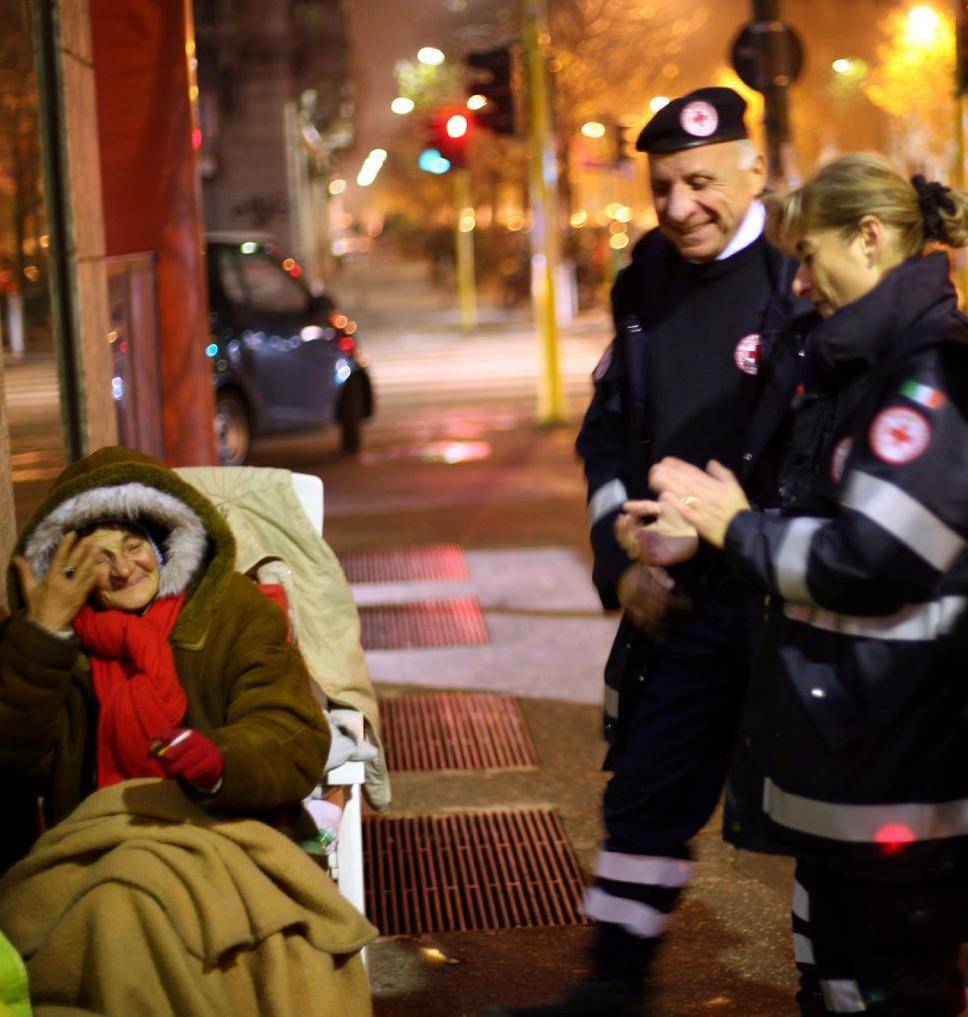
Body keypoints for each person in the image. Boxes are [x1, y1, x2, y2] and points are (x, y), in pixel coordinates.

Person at [490, 88, 808, 1017]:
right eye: (663, 185)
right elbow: (608, 440)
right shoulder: (645, 285)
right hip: (682, 604)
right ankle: (611, 990)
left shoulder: (800, 287)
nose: (678, 207)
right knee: (644, 801)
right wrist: (615, 558)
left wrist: (751, 523)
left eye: (702, 182)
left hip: (784, 602)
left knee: (825, 817)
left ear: (755, 171)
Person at [646, 154, 968, 1016]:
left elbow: (879, 554)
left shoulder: (923, 375)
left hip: (896, 758)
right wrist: (710, 537)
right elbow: (819, 513)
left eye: (808, 252)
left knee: (888, 988)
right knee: (829, 977)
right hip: (852, 748)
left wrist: (736, 527)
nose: (797, 278)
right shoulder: (859, 364)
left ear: (868, 238)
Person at [0, 445, 376, 1013]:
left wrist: (217, 761)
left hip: (223, 832)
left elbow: (291, 733)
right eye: (101, 558)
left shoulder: (233, 613)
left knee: (130, 908)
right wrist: (43, 640)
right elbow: (11, 764)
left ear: (167, 542)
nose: (124, 569)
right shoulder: (51, 646)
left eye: (134, 547)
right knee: (114, 909)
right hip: (89, 844)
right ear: (69, 569)